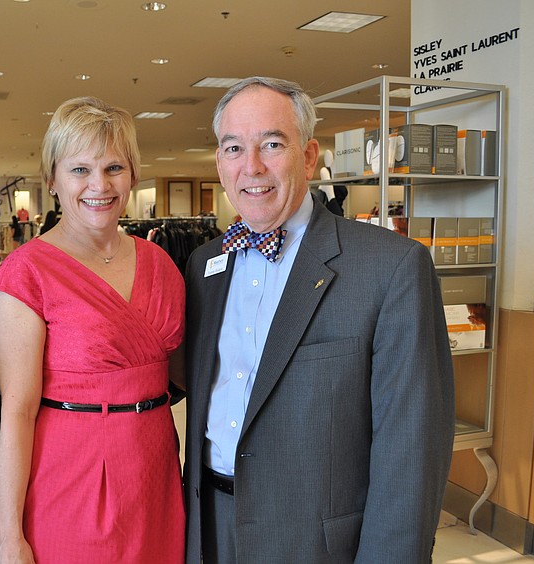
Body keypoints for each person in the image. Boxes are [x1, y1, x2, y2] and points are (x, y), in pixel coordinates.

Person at [181, 77, 455, 563]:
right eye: (233, 148)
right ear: (220, 163)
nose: (252, 167)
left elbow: (410, 454)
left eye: (271, 144)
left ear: (308, 157)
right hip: (210, 532)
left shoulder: (390, 267)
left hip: (318, 545)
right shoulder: (204, 266)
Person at [0, 96, 185, 563]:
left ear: (133, 175)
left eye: (114, 167)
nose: (100, 184)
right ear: (52, 179)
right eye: (79, 170)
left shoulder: (161, 263)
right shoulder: (26, 274)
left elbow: (183, 374)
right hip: (74, 476)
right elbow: (16, 413)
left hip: (155, 473)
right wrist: (8, 536)